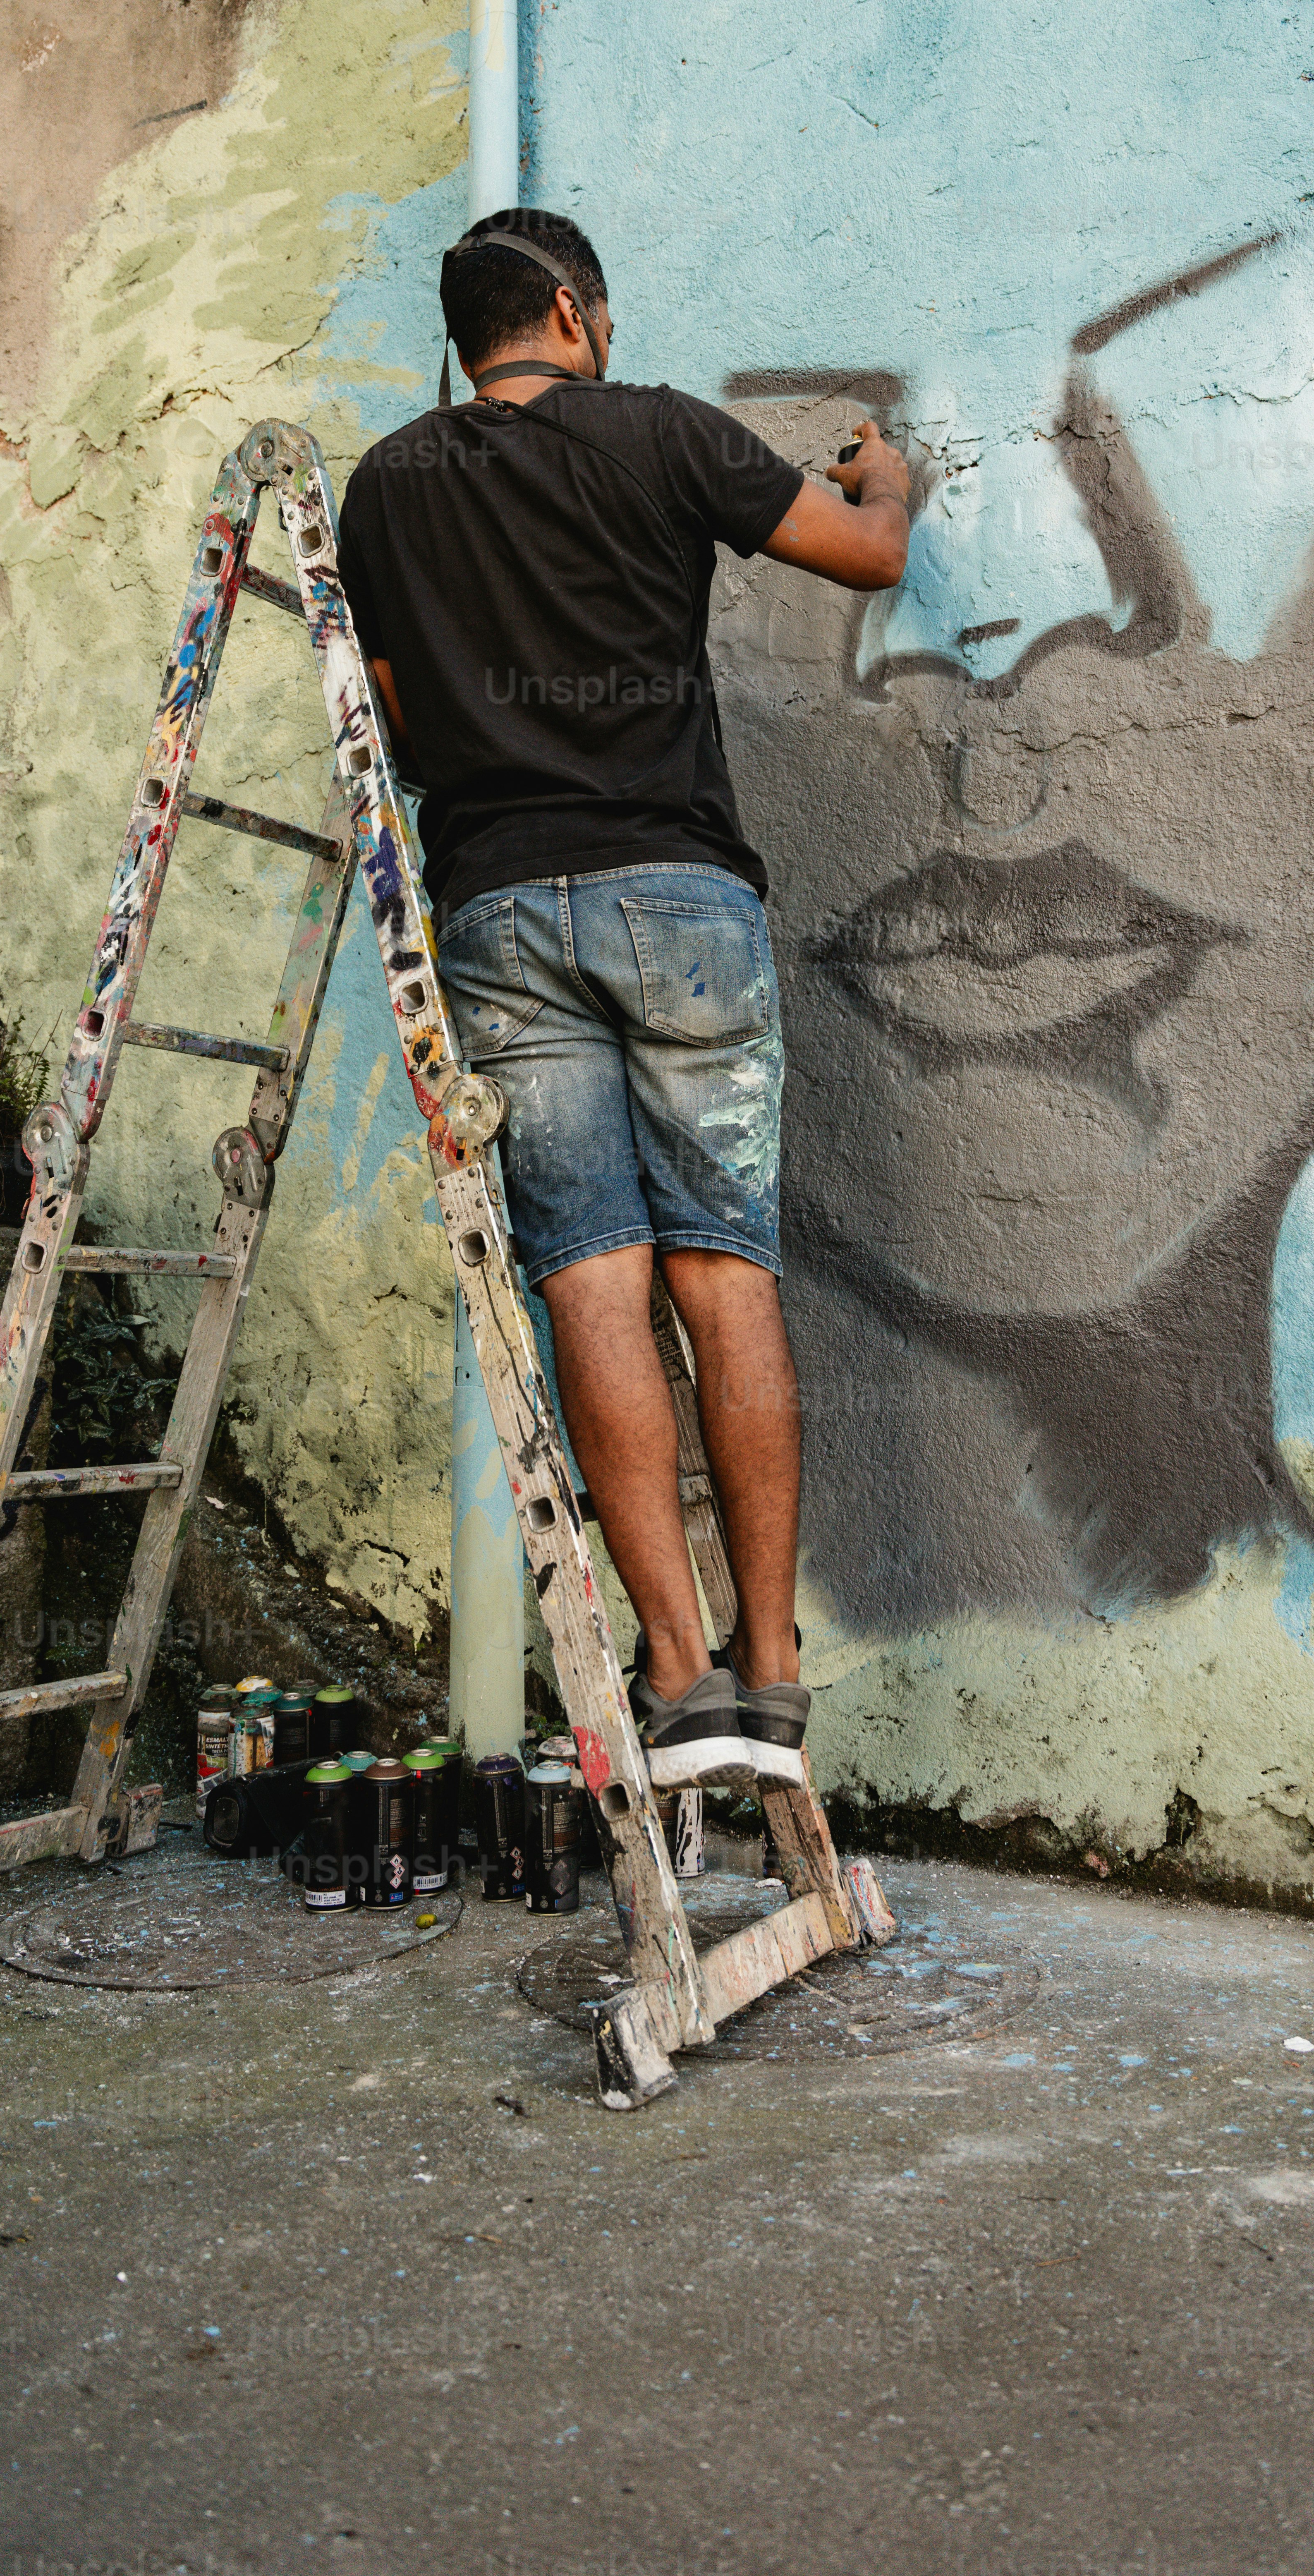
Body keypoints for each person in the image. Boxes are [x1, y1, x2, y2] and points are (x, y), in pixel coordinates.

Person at [336, 208, 912, 1791]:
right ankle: (774, 1673)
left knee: (591, 1279)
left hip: (503, 911)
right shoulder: (660, 435)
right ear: (577, 315)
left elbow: (387, 701)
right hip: (683, 899)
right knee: (723, 1275)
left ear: (471, 338)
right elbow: (864, 552)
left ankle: (674, 1669)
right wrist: (891, 475)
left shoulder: (388, 485)